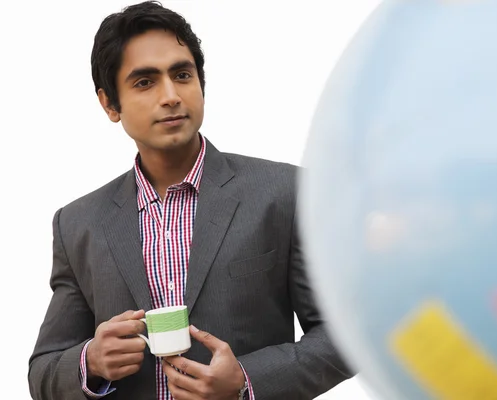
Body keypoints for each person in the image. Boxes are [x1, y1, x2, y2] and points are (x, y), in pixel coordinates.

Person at [27, 1, 354, 399]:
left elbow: (346, 335)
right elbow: (43, 369)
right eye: (144, 82)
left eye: (182, 75)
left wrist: (246, 383)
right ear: (110, 104)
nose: (171, 96)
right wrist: (91, 361)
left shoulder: (284, 193)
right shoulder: (78, 224)